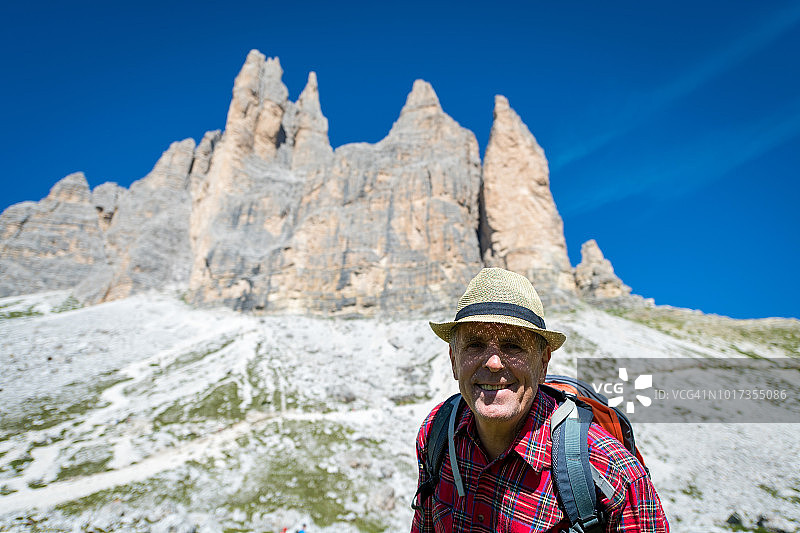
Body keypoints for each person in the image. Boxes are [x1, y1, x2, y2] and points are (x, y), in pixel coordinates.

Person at [411, 267, 669, 532]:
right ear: (454, 360)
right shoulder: (435, 432)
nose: (493, 363)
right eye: (474, 345)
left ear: (543, 362)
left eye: (513, 346)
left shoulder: (613, 473)